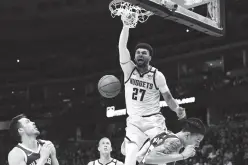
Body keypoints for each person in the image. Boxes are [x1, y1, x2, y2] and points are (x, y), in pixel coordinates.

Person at [118, 17, 186, 165]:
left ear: (150, 57)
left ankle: (146, 152)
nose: (140, 55)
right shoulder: (129, 70)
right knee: (129, 158)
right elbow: (122, 47)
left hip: (153, 121)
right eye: (138, 53)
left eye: (144, 53)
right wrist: (126, 26)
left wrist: (177, 109)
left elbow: (168, 97)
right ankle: (139, 153)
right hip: (134, 121)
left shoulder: (157, 75)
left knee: (161, 157)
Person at [136, 118, 206, 165]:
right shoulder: (176, 142)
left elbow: (139, 156)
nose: (197, 145)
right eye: (197, 140)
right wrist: (183, 156)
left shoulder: (165, 133)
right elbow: (149, 158)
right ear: (187, 135)